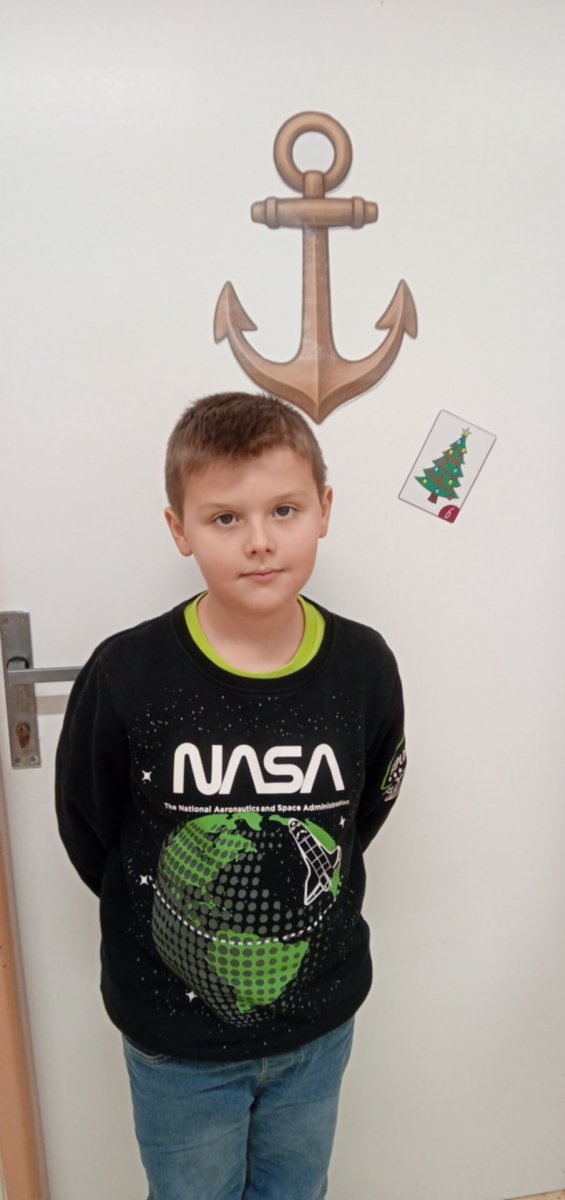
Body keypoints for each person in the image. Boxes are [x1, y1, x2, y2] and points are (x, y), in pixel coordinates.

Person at [55, 391, 406, 1200]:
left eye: (284, 510)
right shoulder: (128, 672)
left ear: (324, 510)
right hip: (175, 1041)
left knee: (297, 1189)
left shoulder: (363, 666)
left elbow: (360, 813)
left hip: (317, 1026)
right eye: (224, 518)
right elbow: (90, 827)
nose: (259, 541)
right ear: (179, 528)